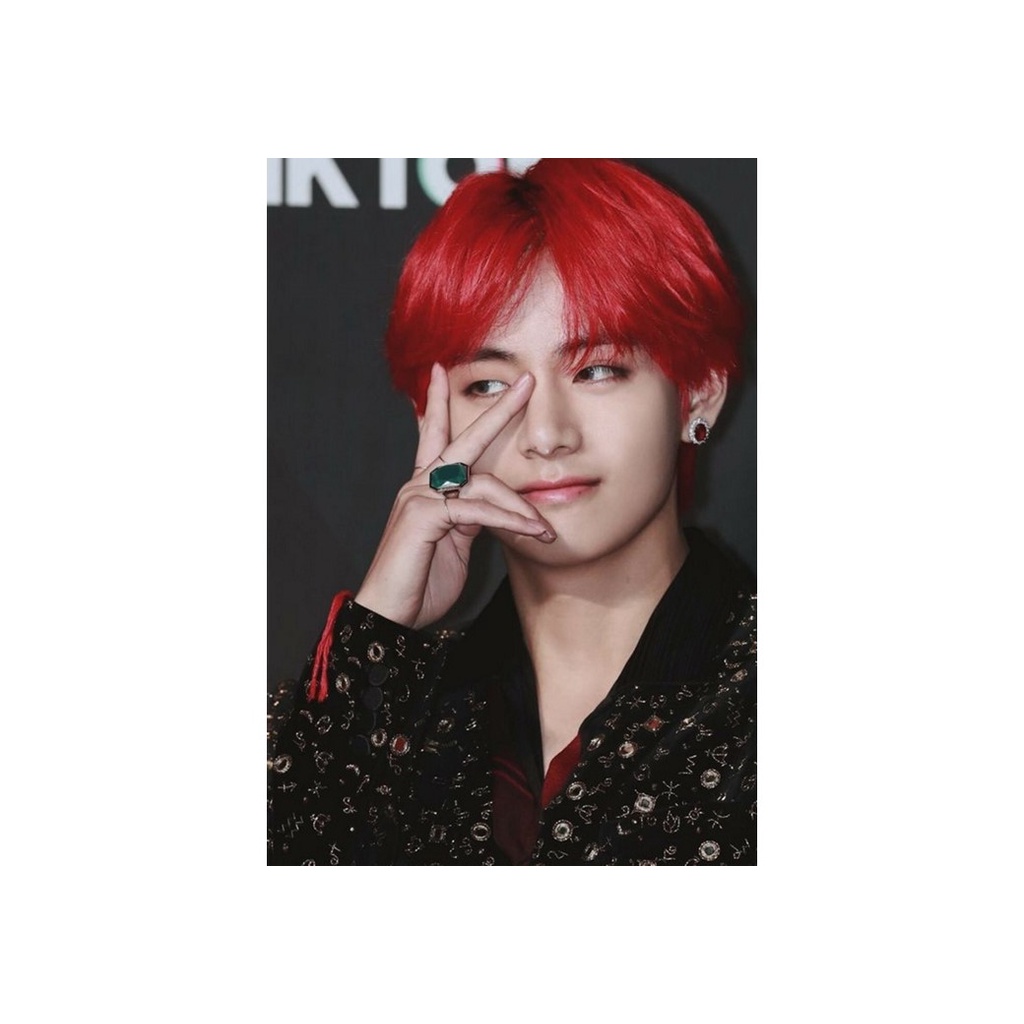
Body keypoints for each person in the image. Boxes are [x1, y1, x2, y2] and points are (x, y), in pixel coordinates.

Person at [267, 159, 755, 866]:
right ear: (433, 419)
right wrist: (378, 637)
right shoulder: (370, 711)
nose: (546, 434)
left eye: (597, 369)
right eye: (490, 386)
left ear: (698, 392)